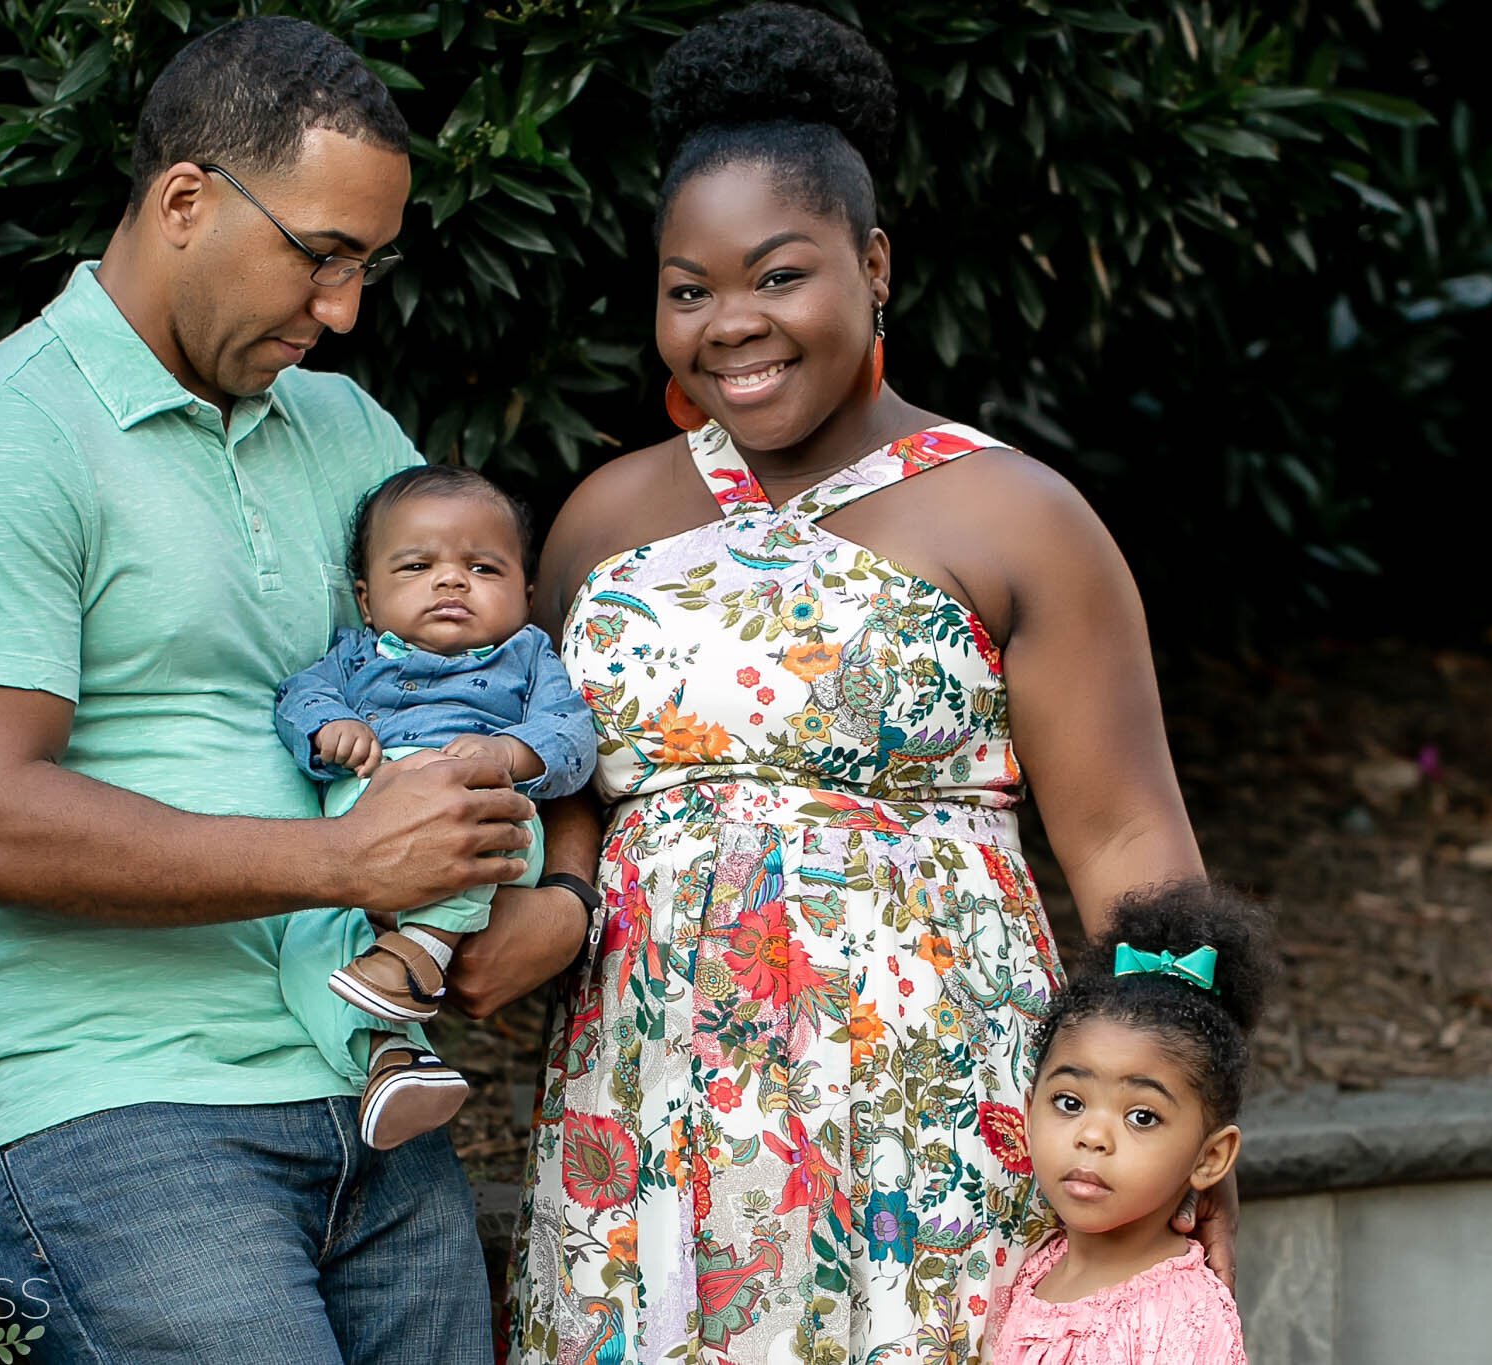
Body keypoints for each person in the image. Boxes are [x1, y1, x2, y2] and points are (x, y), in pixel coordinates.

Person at [499, 6, 1228, 1361]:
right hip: (652, 1103)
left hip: (929, 1101)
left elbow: (1132, 842)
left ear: (874, 264)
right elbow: (557, 796)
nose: (733, 327)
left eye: (779, 276)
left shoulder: (1017, 517)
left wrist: (1181, 1121)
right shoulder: (602, 523)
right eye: (688, 288)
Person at [0, 18, 585, 1364]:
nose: (345, 309)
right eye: (320, 255)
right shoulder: (1, 437)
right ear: (186, 198)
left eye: (368, 265)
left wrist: (561, 893)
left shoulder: (353, 433)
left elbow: (509, 676)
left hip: (370, 1080)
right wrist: (337, 854)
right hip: (108, 1100)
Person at [274, 465, 597, 1151]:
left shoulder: (529, 654)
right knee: (309, 945)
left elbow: (572, 736)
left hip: (487, 808)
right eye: (417, 565)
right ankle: (391, 1059)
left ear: (526, 594)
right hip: (362, 831)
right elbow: (297, 698)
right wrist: (331, 728)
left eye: (483, 566)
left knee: (474, 819)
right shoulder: (352, 655)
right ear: (366, 598)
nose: (451, 580)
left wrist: (507, 754)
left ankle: (422, 947)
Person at [989, 884, 1271, 1364]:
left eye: (1141, 1116)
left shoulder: (1183, 1317)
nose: (1092, 1137)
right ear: (1030, 1110)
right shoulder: (1035, 1267)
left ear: (1211, 1158)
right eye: (1070, 1102)